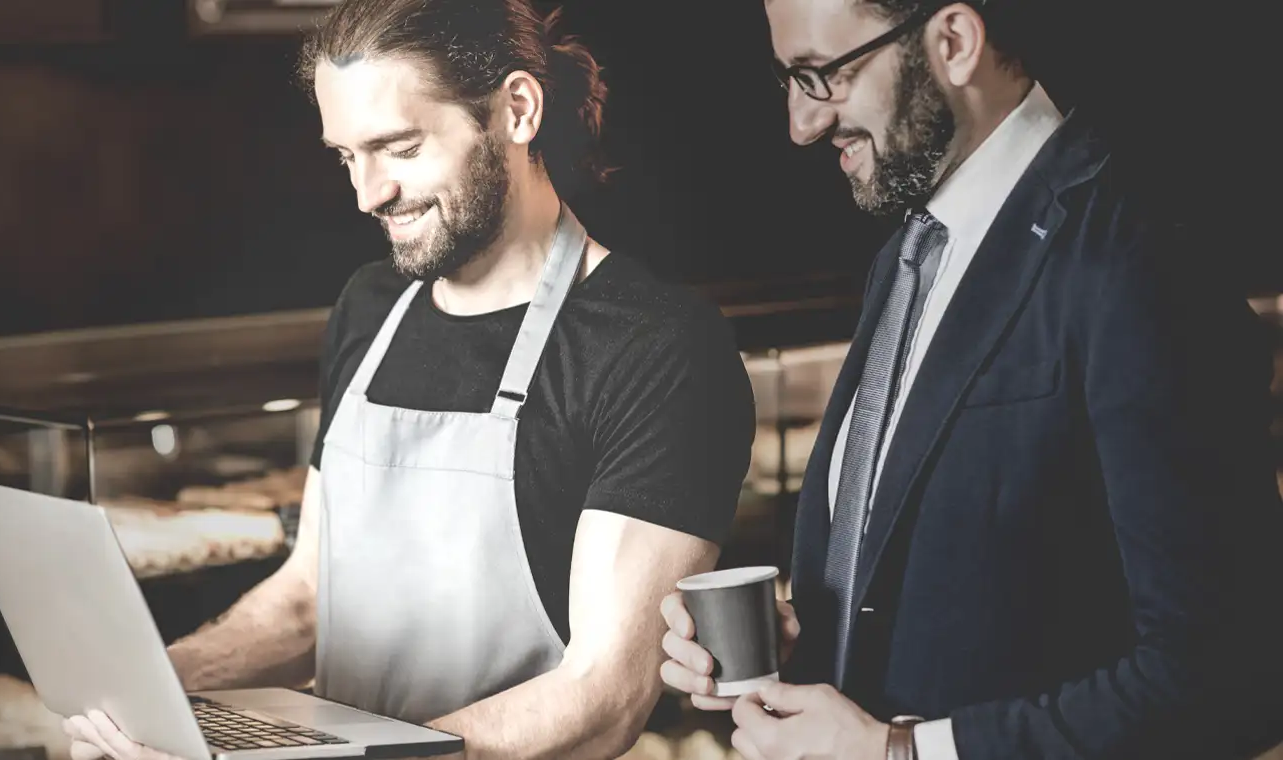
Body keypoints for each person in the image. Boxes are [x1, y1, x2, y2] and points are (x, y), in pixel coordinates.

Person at [62, 0, 757, 758]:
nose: (368, 193)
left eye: (399, 147)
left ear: (516, 110)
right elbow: (310, 600)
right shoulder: (371, 305)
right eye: (346, 156)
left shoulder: (653, 346)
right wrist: (146, 696)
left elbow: (602, 695)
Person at [660, 0, 1283, 758]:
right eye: (787, 79)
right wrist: (809, 644)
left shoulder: (1135, 256)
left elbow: (1229, 677)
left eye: (820, 75)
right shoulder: (908, 255)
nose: (802, 123)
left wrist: (901, 752)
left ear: (953, 42)